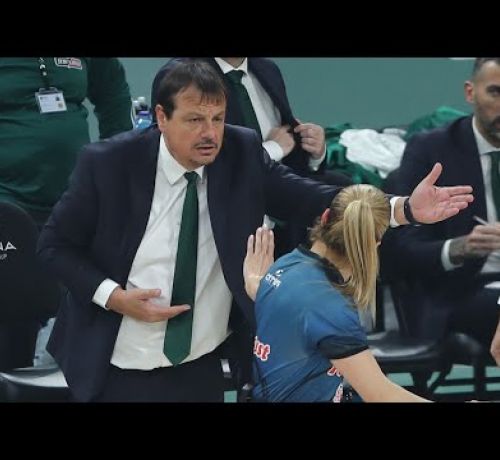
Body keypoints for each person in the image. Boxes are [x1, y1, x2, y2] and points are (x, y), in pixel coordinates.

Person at [37, 59, 473, 402]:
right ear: (161, 117)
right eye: (194, 120)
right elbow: (55, 246)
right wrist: (114, 297)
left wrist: (403, 209)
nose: (210, 134)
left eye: (218, 118)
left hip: (200, 363)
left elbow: (310, 197)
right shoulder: (109, 164)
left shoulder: (239, 152)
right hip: (115, 361)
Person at [243, 185, 437, 402]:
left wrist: (256, 284)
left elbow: (294, 310)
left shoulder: (284, 266)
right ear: (375, 243)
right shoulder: (331, 308)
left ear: (325, 217)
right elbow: (380, 395)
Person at [0, 57, 133, 367]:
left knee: (72, 325)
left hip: (71, 205)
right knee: (11, 332)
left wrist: (116, 162)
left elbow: (112, 92)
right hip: (7, 206)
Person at [151, 58, 353, 255]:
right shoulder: (181, 75)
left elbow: (290, 152)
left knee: (345, 191)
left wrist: (314, 152)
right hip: (223, 221)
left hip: (281, 219)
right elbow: (189, 156)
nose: (210, 129)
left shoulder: (267, 70)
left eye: (218, 119)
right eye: (197, 119)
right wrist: (273, 149)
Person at [379, 58, 500, 365]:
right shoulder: (431, 150)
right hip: (459, 291)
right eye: (496, 93)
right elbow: (399, 250)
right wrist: (459, 248)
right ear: (470, 92)